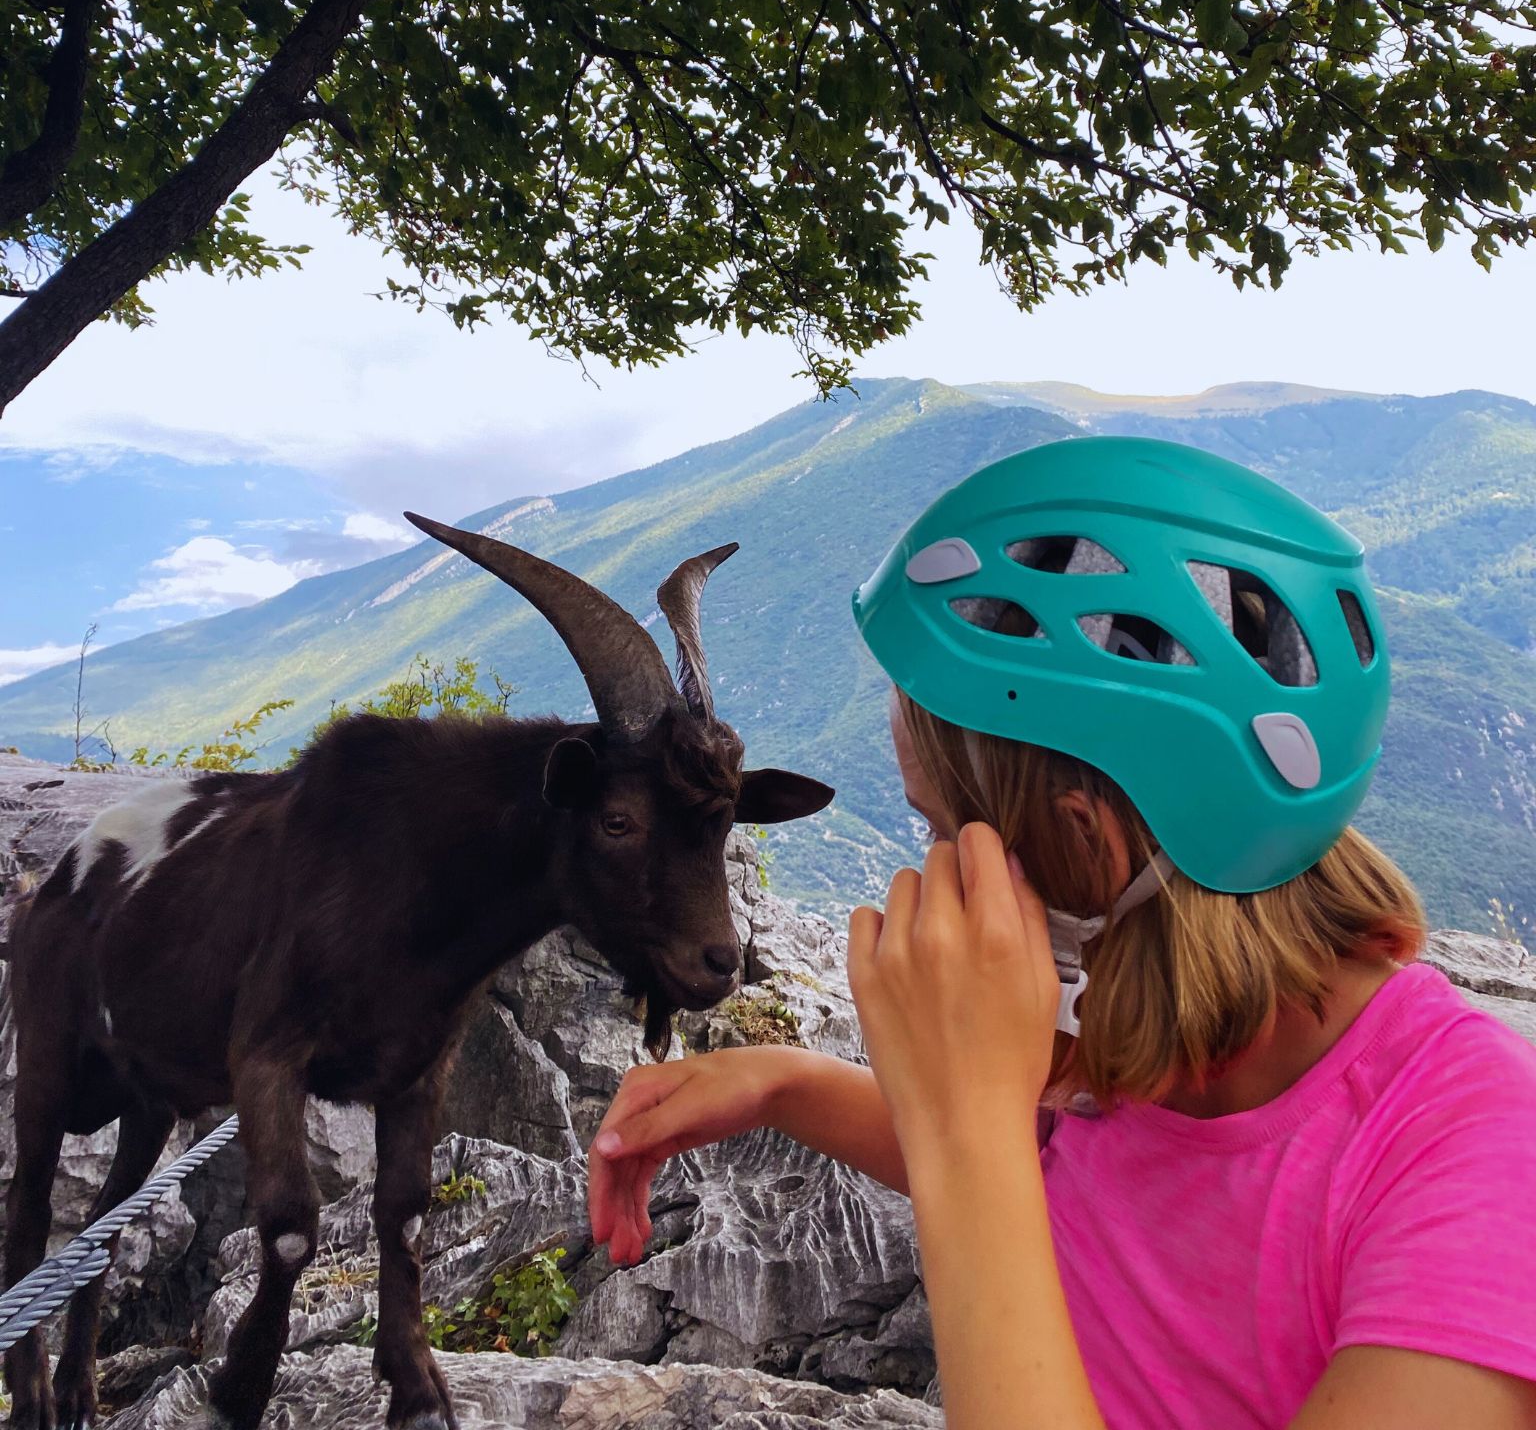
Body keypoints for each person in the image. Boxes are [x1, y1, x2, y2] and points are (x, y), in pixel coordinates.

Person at [586, 436, 1536, 1429]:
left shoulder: (1474, 1158)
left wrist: (966, 1129)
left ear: (1085, 845)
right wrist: (783, 1083)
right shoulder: (1129, 1043)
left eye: (940, 829)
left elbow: (991, 1156)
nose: (930, 870)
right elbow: (1050, 1163)